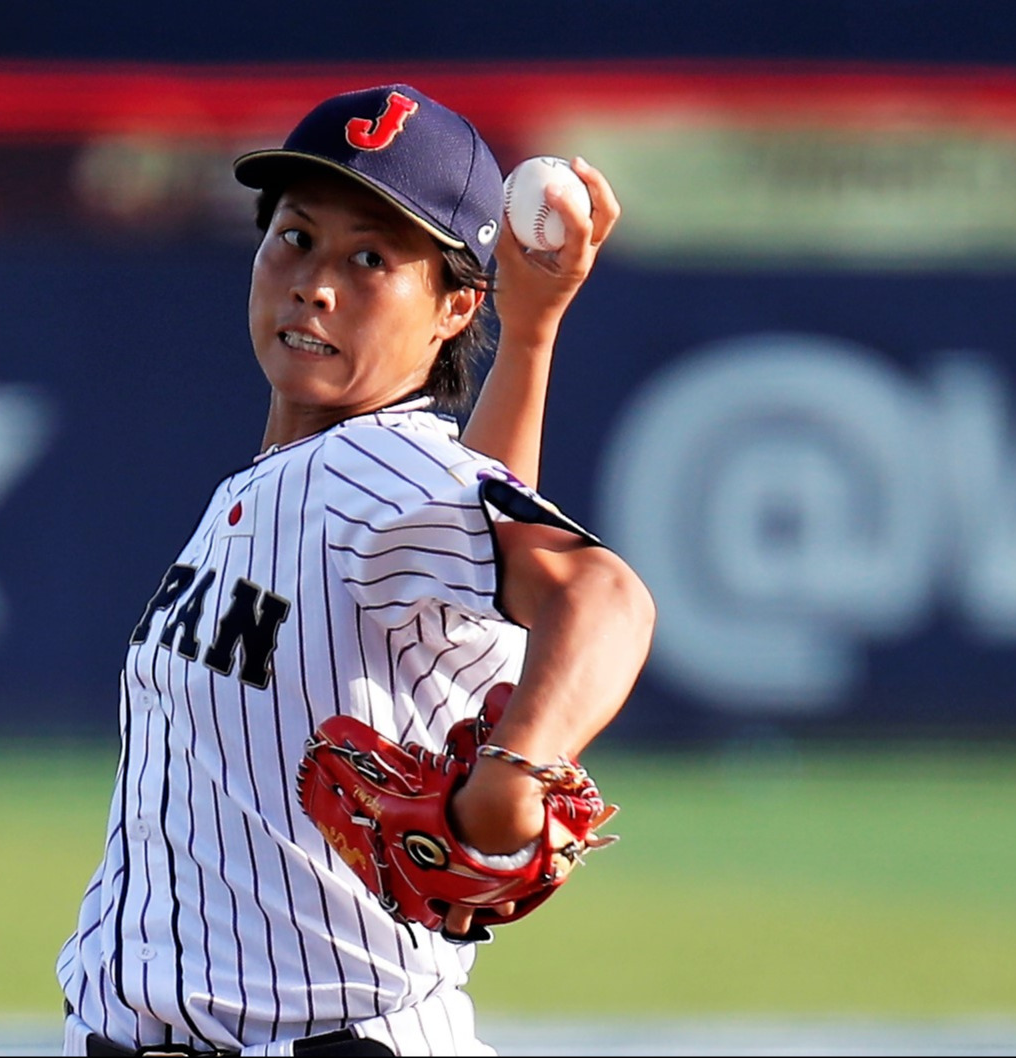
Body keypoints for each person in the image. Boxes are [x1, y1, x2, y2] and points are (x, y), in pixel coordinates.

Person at [55, 83, 655, 1057]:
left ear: (459, 304)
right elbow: (465, 525)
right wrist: (532, 332)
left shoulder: (370, 468)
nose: (316, 281)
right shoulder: (315, 484)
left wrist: (519, 764)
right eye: (295, 236)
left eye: (370, 257)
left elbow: (605, 593)